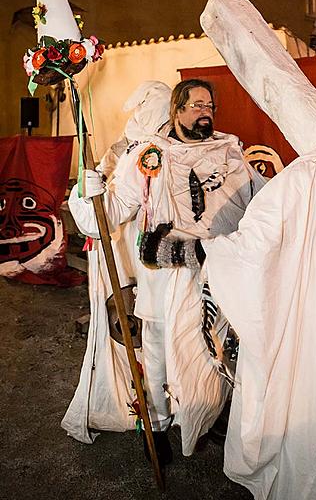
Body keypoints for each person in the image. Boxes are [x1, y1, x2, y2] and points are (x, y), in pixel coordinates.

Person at [138, 0, 316, 498]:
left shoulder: (306, 178)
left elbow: (254, 249)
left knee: (307, 412)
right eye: (197, 105)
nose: (207, 112)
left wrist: (206, 250)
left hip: (304, 318)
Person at [67, 78, 265, 464]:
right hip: (165, 275)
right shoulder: (148, 156)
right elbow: (112, 213)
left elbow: (260, 202)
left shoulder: (229, 152)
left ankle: (211, 415)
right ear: (177, 111)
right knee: (157, 355)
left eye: (210, 105)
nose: (206, 112)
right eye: (197, 105)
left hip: (216, 273)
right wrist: (86, 196)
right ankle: (155, 426)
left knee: (217, 352)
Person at [62, 81, 172, 444]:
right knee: (132, 333)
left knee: (153, 335)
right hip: (126, 258)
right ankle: (146, 407)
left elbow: (109, 212)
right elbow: (107, 209)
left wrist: (91, 197)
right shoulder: (130, 150)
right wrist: (89, 191)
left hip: (149, 259)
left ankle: (160, 412)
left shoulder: (156, 151)